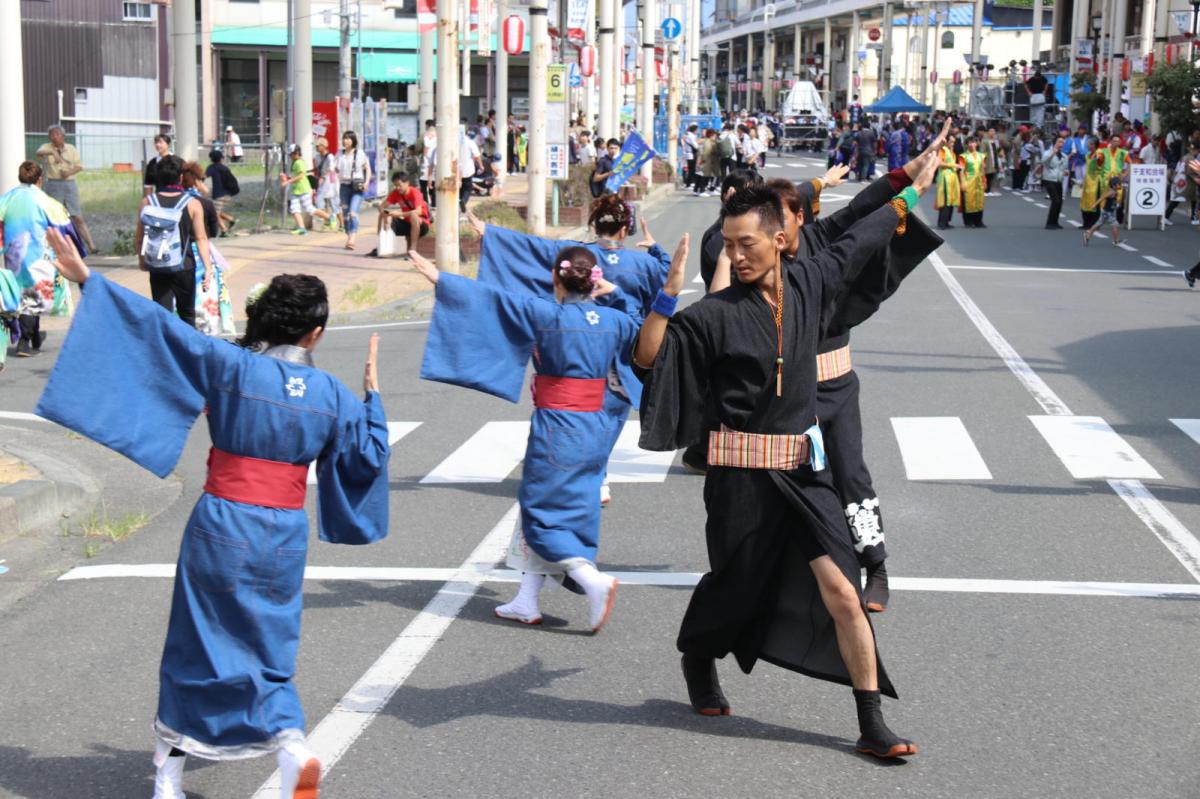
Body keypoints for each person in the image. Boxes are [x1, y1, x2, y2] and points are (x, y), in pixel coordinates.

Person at [37, 229, 389, 799]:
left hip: (223, 519)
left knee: (197, 640)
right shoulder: (333, 394)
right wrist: (372, 398)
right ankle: (290, 742)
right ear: (315, 333)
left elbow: (160, 332)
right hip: (283, 530)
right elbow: (367, 458)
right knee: (269, 643)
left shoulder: (231, 365)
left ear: (263, 320)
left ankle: (167, 777)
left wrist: (87, 279)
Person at [633, 159, 940, 759]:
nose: (736, 254)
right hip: (739, 481)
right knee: (736, 585)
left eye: (747, 243)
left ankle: (871, 721)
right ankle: (699, 655)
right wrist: (667, 298)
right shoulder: (713, 316)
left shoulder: (812, 281)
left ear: (779, 238)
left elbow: (861, 233)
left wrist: (908, 192)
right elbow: (648, 360)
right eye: (728, 244)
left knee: (843, 592)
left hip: (804, 472)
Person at [414, 242, 656, 629]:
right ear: (595, 283)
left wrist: (442, 280)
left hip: (558, 425)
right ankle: (527, 599)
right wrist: (618, 292)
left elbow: (493, 301)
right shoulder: (615, 322)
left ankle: (589, 578)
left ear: (556, 279)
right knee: (568, 506)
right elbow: (639, 318)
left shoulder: (546, 314)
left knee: (541, 508)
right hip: (597, 426)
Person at [0, 161, 80, 364]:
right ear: (39, 179)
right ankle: (24, 342)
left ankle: (34, 336)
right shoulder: (46, 201)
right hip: (39, 255)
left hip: (14, 254)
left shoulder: (7, 199)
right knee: (34, 294)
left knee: (22, 293)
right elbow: (66, 228)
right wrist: (76, 251)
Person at [136, 157, 213, 327]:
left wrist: (142, 260)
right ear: (180, 177)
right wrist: (208, 267)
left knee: (162, 315)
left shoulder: (148, 202)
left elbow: (140, 236)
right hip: (184, 265)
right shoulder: (192, 203)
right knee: (187, 315)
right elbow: (201, 238)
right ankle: (188, 351)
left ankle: (164, 350)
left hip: (157, 264)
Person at [36, 125, 97, 253]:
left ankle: (92, 246)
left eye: (57, 134)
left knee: (77, 216)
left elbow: (79, 166)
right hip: (53, 184)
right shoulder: (47, 147)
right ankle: (55, 246)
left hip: (69, 184)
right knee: (53, 216)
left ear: (63, 136)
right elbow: (38, 153)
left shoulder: (71, 149)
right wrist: (52, 152)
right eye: (52, 134)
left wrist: (69, 172)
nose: (55, 137)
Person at [369, 172, 430, 258]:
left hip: (421, 224)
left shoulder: (414, 192)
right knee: (383, 217)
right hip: (406, 224)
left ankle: (413, 250)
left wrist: (400, 214)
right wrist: (387, 214)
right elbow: (382, 207)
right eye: (395, 185)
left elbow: (418, 211)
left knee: (413, 215)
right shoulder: (395, 193)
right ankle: (382, 246)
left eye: (399, 185)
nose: (397, 188)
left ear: (407, 183)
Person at [280, 144, 330, 235]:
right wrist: (286, 177)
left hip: (303, 190)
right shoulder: (295, 162)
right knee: (294, 209)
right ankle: (302, 228)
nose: (290, 156)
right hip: (296, 190)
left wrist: (288, 181)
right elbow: (295, 176)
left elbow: (301, 175)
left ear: (296, 153)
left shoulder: (299, 162)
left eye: (291, 154)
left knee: (309, 209)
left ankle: (329, 217)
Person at [336, 131, 372, 251]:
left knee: (353, 213)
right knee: (346, 216)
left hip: (357, 186)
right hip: (344, 186)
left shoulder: (360, 153)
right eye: (344, 138)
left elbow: (368, 169)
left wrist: (366, 182)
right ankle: (349, 234)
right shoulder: (339, 154)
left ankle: (352, 239)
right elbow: (335, 170)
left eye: (348, 138)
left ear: (353, 140)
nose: (346, 141)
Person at [204, 149, 239, 236]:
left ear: (211, 159)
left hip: (218, 195)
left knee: (214, 214)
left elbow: (204, 176)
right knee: (216, 211)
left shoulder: (212, 167)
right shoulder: (225, 168)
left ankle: (224, 231)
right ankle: (231, 220)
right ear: (222, 158)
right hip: (228, 195)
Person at [1084, 176, 1123, 246]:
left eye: (1120, 184)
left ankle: (1088, 234)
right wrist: (1094, 205)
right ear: (1113, 185)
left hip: (1107, 212)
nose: (1120, 185)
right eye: (1118, 184)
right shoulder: (1111, 192)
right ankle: (1116, 241)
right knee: (1115, 224)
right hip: (1107, 213)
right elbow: (1102, 198)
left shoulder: (1114, 191)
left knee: (1098, 224)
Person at [313, 137, 341, 231]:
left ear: (324, 146)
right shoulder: (317, 157)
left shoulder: (330, 157)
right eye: (316, 146)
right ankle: (328, 220)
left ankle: (342, 225)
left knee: (334, 202)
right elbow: (317, 169)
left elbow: (331, 169)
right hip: (322, 181)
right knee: (319, 201)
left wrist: (324, 177)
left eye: (318, 145)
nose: (316, 147)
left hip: (331, 181)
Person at [935, 133, 962, 229]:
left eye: (954, 142)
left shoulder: (952, 152)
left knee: (950, 201)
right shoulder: (943, 150)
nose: (952, 144)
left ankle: (946, 221)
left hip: (952, 178)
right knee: (945, 201)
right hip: (945, 178)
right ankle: (942, 222)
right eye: (951, 141)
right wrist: (954, 165)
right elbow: (939, 163)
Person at [959, 136, 987, 229]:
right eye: (969, 143)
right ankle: (968, 221)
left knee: (979, 201)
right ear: (967, 145)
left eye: (974, 142)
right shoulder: (964, 156)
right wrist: (962, 182)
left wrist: (984, 180)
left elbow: (983, 169)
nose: (972, 144)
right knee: (969, 201)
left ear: (977, 143)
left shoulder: (981, 155)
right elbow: (961, 170)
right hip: (968, 180)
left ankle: (979, 221)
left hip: (979, 180)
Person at [1042, 136, 1067, 229]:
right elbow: (1044, 162)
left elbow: (1064, 167)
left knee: (1060, 201)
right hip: (1049, 178)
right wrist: (1052, 153)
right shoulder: (1047, 153)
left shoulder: (1064, 156)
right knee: (1055, 200)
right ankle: (1049, 223)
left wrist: (1065, 171)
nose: (1061, 144)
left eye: (1062, 142)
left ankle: (1055, 221)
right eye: (1059, 142)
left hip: (1058, 179)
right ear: (1055, 143)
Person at [458, 125, 484, 212]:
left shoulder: (453, 141)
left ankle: (459, 202)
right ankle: (463, 201)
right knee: (467, 188)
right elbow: (477, 155)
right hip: (467, 170)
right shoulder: (470, 142)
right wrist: (481, 166)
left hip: (455, 170)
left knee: (459, 188)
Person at [983, 127, 1003, 195]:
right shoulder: (985, 141)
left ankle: (992, 190)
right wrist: (984, 161)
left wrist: (1000, 153)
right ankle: (986, 190)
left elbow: (999, 149)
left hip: (996, 160)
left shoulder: (996, 141)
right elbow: (983, 151)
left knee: (994, 175)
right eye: (991, 131)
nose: (992, 133)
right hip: (988, 160)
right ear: (988, 132)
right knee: (988, 175)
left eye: (994, 131)